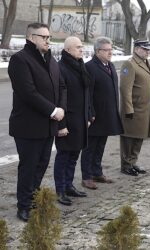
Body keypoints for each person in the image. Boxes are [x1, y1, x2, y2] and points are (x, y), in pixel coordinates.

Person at [8, 23, 66, 222]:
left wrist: (61, 109)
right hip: (28, 126)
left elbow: (61, 86)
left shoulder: (51, 60)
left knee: (41, 164)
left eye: (49, 37)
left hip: (48, 125)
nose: (48, 40)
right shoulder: (20, 60)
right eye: (44, 37)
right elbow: (27, 92)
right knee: (29, 166)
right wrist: (52, 110)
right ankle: (23, 206)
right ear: (32, 38)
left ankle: (33, 200)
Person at [80, 37, 123, 189]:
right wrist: (90, 113)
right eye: (107, 50)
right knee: (89, 148)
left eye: (111, 49)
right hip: (95, 116)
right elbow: (88, 94)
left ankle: (97, 172)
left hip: (107, 114)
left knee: (100, 146)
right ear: (98, 51)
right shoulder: (90, 67)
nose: (110, 52)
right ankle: (86, 177)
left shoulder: (110, 65)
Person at [54, 37, 92, 206]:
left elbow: (86, 93)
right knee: (63, 157)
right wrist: (61, 125)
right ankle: (60, 190)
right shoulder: (61, 68)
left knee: (74, 156)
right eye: (78, 47)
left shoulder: (79, 65)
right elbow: (58, 99)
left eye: (82, 47)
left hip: (80, 120)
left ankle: (69, 185)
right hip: (67, 121)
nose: (81, 50)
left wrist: (88, 114)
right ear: (68, 50)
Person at [119, 39, 150, 176]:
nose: (147, 52)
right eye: (144, 49)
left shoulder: (149, 64)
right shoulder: (129, 64)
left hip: (145, 110)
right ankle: (126, 164)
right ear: (136, 49)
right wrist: (128, 109)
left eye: (148, 50)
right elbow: (125, 90)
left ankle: (133, 161)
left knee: (139, 137)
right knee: (129, 138)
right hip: (133, 110)